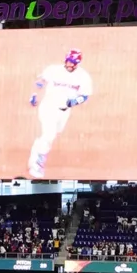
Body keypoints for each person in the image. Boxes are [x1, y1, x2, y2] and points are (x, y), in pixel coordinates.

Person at [28, 48, 92, 179]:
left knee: (54, 133)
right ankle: (36, 164)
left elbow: (85, 95)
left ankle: (37, 148)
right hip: (48, 108)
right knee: (49, 135)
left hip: (64, 112)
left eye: (72, 63)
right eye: (68, 61)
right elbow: (40, 82)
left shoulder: (83, 76)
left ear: (77, 63)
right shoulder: (53, 70)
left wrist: (75, 101)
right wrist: (34, 94)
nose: (69, 65)